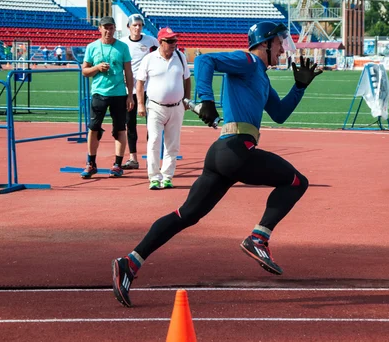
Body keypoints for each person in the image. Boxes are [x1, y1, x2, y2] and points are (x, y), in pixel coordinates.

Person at [111, 21, 323, 307]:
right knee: (297, 182)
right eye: (280, 42)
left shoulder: (261, 76)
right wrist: (206, 98)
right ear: (266, 44)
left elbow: (280, 113)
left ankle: (130, 263)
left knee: (186, 214)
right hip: (237, 149)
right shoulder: (247, 59)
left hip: (224, 154)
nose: (284, 47)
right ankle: (258, 239)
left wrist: (299, 87)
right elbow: (205, 59)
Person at [135, 27, 190, 190]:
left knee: (173, 144)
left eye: (175, 40)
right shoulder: (149, 59)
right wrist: (140, 103)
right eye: (170, 41)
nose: (174, 44)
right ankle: (154, 177)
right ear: (160, 42)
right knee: (153, 142)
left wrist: (186, 99)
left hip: (176, 107)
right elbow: (140, 82)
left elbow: (187, 79)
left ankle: (167, 176)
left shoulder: (180, 57)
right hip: (155, 107)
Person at [80, 16, 134, 179]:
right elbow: (85, 71)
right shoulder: (92, 47)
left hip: (119, 94)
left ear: (114, 29)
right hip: (99, 93)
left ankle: (117, 164)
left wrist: (130, 95)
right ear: (100, 29)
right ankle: (91, 163)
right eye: (105, 28)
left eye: (111, 28)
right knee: (93, 128)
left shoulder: (123, 47)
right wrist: (97, 67)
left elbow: (128, 73)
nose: (108, 31)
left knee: (120, 129)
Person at [119, 14, 160, 170]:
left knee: (152, 124)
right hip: (130, 90)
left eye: (140, 25)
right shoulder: (122, 43)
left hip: (149, 89)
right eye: (134, 25)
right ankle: (133, 158)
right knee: (130, 123)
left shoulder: (151, 41)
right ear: (129, 26)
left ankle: (151, 157)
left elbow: (159, 58)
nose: (137, 28)